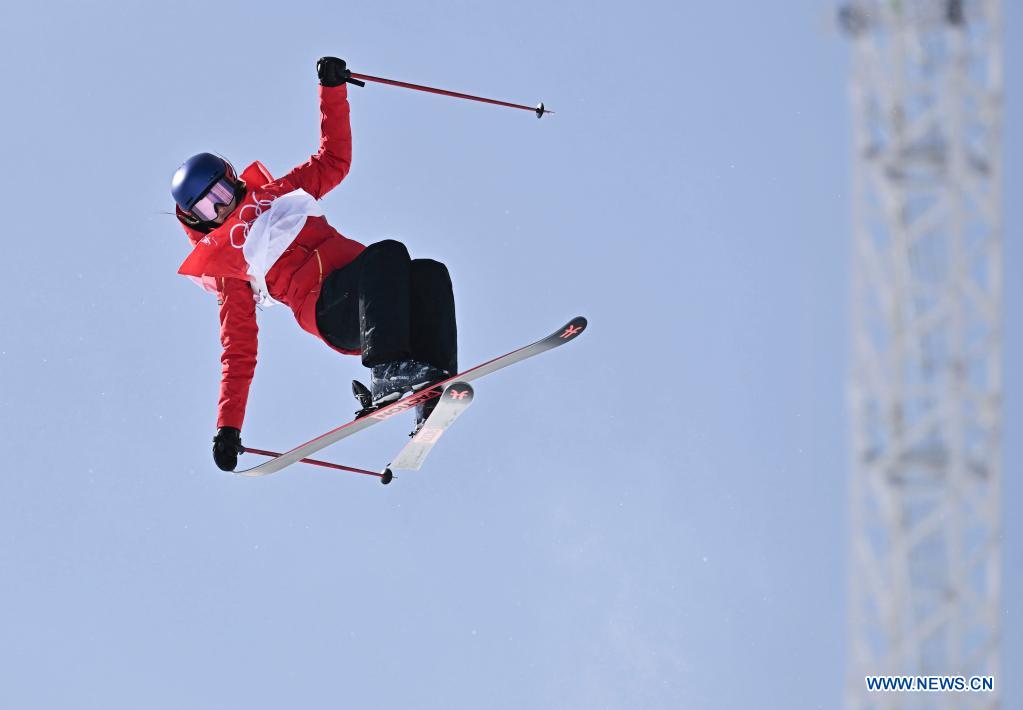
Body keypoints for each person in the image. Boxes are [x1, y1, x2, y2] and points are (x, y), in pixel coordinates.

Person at [171, 57, 457, 472]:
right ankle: (386, 372)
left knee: (430, 273)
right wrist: (228, 427)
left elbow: (333, 160)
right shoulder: (228, 264)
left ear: (231, 178)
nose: (221, 206)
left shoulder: (279, 193)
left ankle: (433, 387)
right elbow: (238, 351)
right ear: (195, 219)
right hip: (333, 312)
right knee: (387, 251)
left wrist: (333, 91)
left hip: (375, 297)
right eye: (207, 206)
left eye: (220, 191)